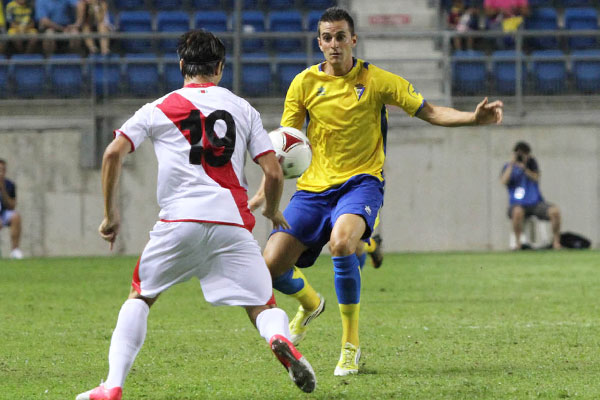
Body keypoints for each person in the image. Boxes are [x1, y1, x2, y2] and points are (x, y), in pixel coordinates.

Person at [249, 6, 503, 376]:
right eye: (327, 38)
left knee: (341, 243)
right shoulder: (303, 84)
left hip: (360, 184)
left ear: (353, 39)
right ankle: (309, 302)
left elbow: (429, 110)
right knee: (266, 270)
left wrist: (472, 118)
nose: (334, 44)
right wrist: (264, 192)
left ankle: (349, 345)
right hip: (313, 190)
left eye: (340, 37)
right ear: (318, 43)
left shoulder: (377, 80)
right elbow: (284, 148)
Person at [75, 30, 316, 400]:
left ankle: (112, 386)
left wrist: (111, 215)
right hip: (232, 223)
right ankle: (280, 338)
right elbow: (271, 172)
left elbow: (112, 154)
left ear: (182, 65)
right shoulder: (243, 108)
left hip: (179, 222)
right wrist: (270, 209)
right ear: (220, 68)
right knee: (261, 305)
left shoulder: (159, 107)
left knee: (140, 297)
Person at [500, 141, 561, 250]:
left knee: (555, 211)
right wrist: (512, 164)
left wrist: (524, 167)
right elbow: (504, 181)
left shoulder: (532, 164)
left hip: (535, 203)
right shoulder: (508, 166)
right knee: (517, 212)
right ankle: (518, 244)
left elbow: (536, 177)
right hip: (517, 204)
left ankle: (556, 243)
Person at [0, 159, 23, 259]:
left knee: (15, 216)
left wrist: (3, 189)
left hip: (3, 213)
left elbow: (12, 205)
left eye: (3, 170)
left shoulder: (9, 185)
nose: (1, 172)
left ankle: (15, 250)